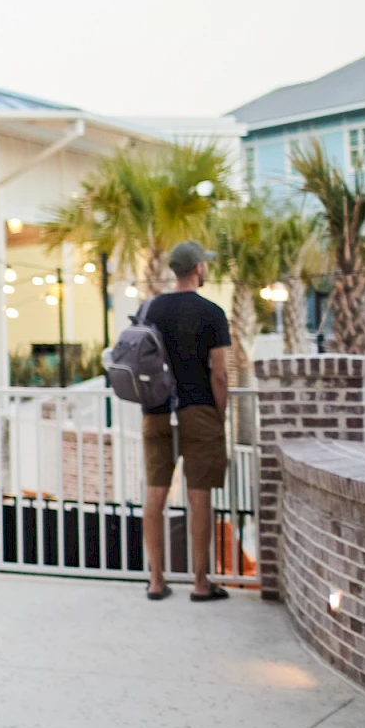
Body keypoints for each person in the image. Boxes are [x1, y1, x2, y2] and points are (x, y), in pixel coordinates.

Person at [140, 239, 231, 603]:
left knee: (155, 494)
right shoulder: (211, 312)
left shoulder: (149, 309)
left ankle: (157, 581)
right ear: (198, 269)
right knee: (199, 497)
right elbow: (220, 374)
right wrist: (218, 417)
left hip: (156, 409)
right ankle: (199, 582)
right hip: (198, 409)